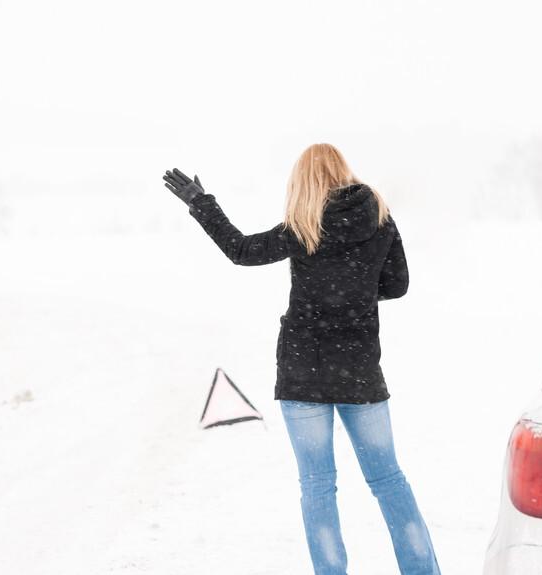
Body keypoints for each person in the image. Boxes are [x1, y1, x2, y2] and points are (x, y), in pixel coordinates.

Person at [162, 143, 440, 575]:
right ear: (344, 171)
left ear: (303, 181)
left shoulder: (303, 226)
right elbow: (398, 284)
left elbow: (241, 250)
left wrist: (202, 204)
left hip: (303, 372)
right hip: (360, 372)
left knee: (317, 485)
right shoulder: (380, 219)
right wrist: (357, 293)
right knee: (388, 481)